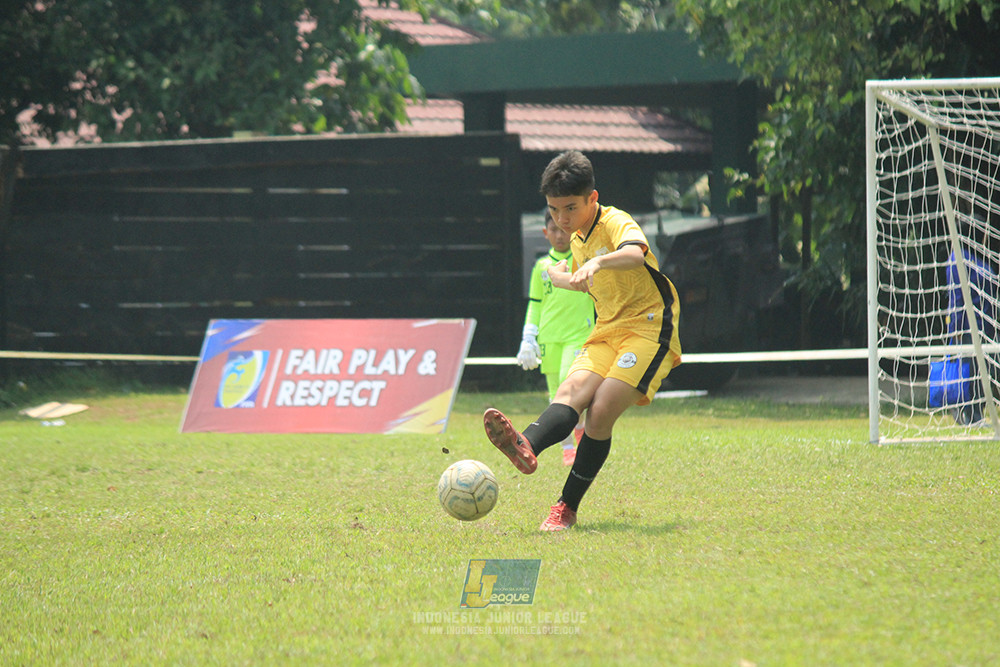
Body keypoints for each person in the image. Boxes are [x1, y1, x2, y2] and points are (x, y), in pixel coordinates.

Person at [484, 150, 682, 531]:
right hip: (607, 329)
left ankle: (566, 507)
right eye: (554, 210)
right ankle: (524, 443)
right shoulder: (576, 238)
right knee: (571, 391)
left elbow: (635, 255)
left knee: (602, 408)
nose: (561, 219)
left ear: (593, 198)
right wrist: (562, 276)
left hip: (649, 326)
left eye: (570, 208)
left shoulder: (614, 221)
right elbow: (579, 277)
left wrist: (597, 262)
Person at [517, 210, 595, 466]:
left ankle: (581, 436)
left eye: (564, 230)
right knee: (554, 396)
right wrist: (528, 337)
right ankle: (568, 448)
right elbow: (536, 304)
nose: (559, 236)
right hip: (550, 339)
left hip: (578, 335)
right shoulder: (541, 267)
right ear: (545, 232)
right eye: (554, 230)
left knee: (569, 386)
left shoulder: (584, 261)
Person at [945, 245, 998, 424]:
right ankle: (967, 415)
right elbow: (957, 297)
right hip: (968, 330)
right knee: (967, 372)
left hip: (986, 329)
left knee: (980, 374)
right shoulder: (959, 259)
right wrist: (956, 327)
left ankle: (975, 414)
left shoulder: (981, 261)